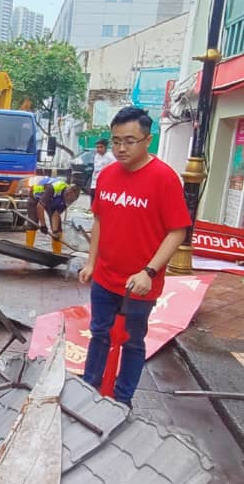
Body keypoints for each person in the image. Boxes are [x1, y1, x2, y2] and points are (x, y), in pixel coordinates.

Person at [78, 106, 190, 407]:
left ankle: (122, 398)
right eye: (116, 141)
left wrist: (149, 272)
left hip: (139, 282)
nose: (121, 148)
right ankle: (89, 389)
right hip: (105, 276)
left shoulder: (164, 179)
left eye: (129, 141)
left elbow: (177, 231)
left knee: (132, 341)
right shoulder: (108, 175)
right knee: (99, 333)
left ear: (147, 140)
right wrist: (91, 262)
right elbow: (99, 220)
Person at [26, 176, 81, 254]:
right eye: (70, 199)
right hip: (35, 197)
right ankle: (28, 248)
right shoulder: (52, 188)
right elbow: (39, 207)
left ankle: (57, 253)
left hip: (51, 201)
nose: (70, 202)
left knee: (58, 229)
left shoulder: (68, 198)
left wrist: (55, 232)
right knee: (33, 222)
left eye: (73, 200)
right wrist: (43, 225)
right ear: (67, 193)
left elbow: (55, 214)